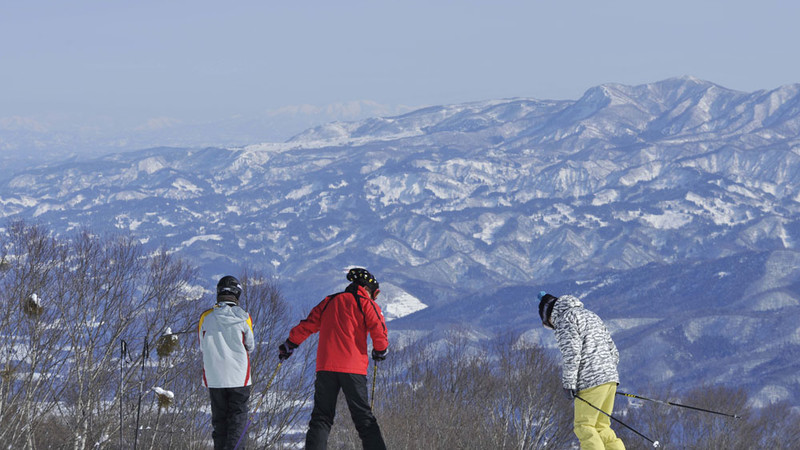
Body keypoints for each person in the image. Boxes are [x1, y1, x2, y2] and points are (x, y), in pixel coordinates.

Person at [279, 267, 389, 450]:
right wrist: (380, 351)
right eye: (374, 293)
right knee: (363, 418)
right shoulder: (365, 303)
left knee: (321, 417)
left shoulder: (330, 301)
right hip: (353, 369)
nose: (373, 297)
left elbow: (308, 324)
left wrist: (290, 344)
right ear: (367, 288)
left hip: (326, 367)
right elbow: (379, 330)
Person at [538, 291, 625, 450]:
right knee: (601, 427)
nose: (551, 326)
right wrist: (606, 377)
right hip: (611, 379)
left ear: (549, 316)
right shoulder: (591, 315)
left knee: (584, 426)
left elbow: (572, 352)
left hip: (589, 380)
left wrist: (569, 383)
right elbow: (613, 352)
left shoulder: (565, 320)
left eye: (548, 323)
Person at [199, 275, 255, 450]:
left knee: (220, 422)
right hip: (239, 377)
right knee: (237, 420)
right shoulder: (244, 317)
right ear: (237, 294)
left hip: (214, 377)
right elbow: (250, 345)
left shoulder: (206, 317)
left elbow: (202, 345)